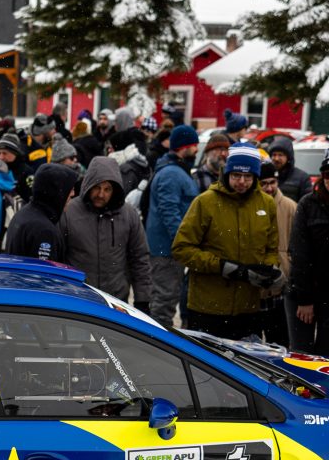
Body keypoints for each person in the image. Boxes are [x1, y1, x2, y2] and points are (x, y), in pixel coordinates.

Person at [172, 143, 281, 340]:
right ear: (227, 173)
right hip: (208, 307)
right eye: (236, 175)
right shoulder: (206, 202)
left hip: (248, 307)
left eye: (248, 176)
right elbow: (181, 248)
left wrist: (268, 270)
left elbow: (271, 248)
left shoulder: (266, 204)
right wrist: (221, 266)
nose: (242, 182)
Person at [60, 155, 152, 308]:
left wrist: (143, 299)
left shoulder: (129, 215)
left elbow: (139, 259)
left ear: (114, 190)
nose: (101, 194)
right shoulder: (69, 212)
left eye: (107, 189)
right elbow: (58, 258)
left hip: (115, 301)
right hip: (77, 299)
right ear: (88, 184)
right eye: (97, 187)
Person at [145, 124, 200, 328]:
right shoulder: (171, 174)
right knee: (164, 301)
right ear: (183, 147)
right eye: (194, 145)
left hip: (169, 249)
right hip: (167, 250)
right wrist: (182, 243)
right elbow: (169, 212)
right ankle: (157, 340)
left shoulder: (177, 171)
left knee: (166, 299)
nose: (196, 150)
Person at [286, 150, 329, 353]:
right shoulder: (308, 204)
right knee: (301, 354)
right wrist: (305, 300)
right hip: (303, 289)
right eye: (327, 174)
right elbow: (299, 254)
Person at [5, 162, 77, 261]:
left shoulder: (25, 213)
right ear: (56, 192)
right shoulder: (44, 230)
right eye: (69, 189)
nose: (73, 194)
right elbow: (43, 269)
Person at [258, 161, 295, 345]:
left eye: (272, 182)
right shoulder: (252, 206)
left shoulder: (290, 207)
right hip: (256, 288)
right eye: (264, 184)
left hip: (280, 285)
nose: (269, 188)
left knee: (279, 343)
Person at [267, 137, 313, 204]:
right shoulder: (265, 175)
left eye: (280, 155)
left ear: (288, 157)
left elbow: (307, 203)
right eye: (274, 155)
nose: (276, 158)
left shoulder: (302, 178)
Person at [0, 132, 32, 201]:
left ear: (15, 153)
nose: (1, 157)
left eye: (4, 153)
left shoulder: (26, 172)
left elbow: (31, 196)